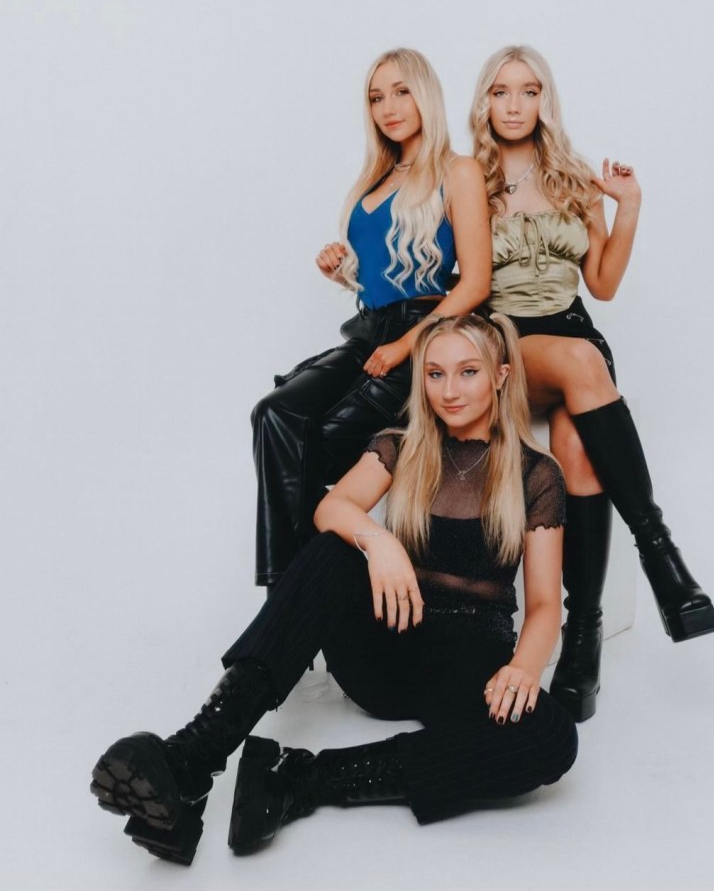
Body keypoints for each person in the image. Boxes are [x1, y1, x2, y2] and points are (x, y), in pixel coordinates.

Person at [90, 314, 577, 865]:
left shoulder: (535, 474)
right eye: (435, 374)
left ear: (501, 375)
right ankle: (192, 756)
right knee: (332, 551)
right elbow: (332, 507)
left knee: (552, 739)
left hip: (471, 673)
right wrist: (380, 541)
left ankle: (298, 778)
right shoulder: (400, 446)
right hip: (388, 652)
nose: (449, 390)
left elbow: (544, 605)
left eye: (468, 372)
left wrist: (524, 669)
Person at [470, 45, 714, 723]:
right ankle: (661, 555)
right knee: (586, 364)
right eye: (501, 91)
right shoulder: (467, 178)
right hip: (505, 342)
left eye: (529, 91)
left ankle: (582, 635)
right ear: (484, 102)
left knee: (579, 449)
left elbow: (602, 284)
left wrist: (629, 205)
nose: (515, 105)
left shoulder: (572, 176)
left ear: (544, 101)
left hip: (572, 334)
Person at [252, 48, 491, 592]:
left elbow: (476, 283)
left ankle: (290, 600)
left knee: (314, 444)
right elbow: (379, 276)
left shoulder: (458, 171)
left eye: (401, 92)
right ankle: (289, 590)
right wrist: (341, 270)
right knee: (274, 414)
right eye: (376, 97)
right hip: (367, 333)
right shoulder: (374, 179)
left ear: (425, 94)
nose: (389, 107)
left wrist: (408, 346)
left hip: (424, 336)